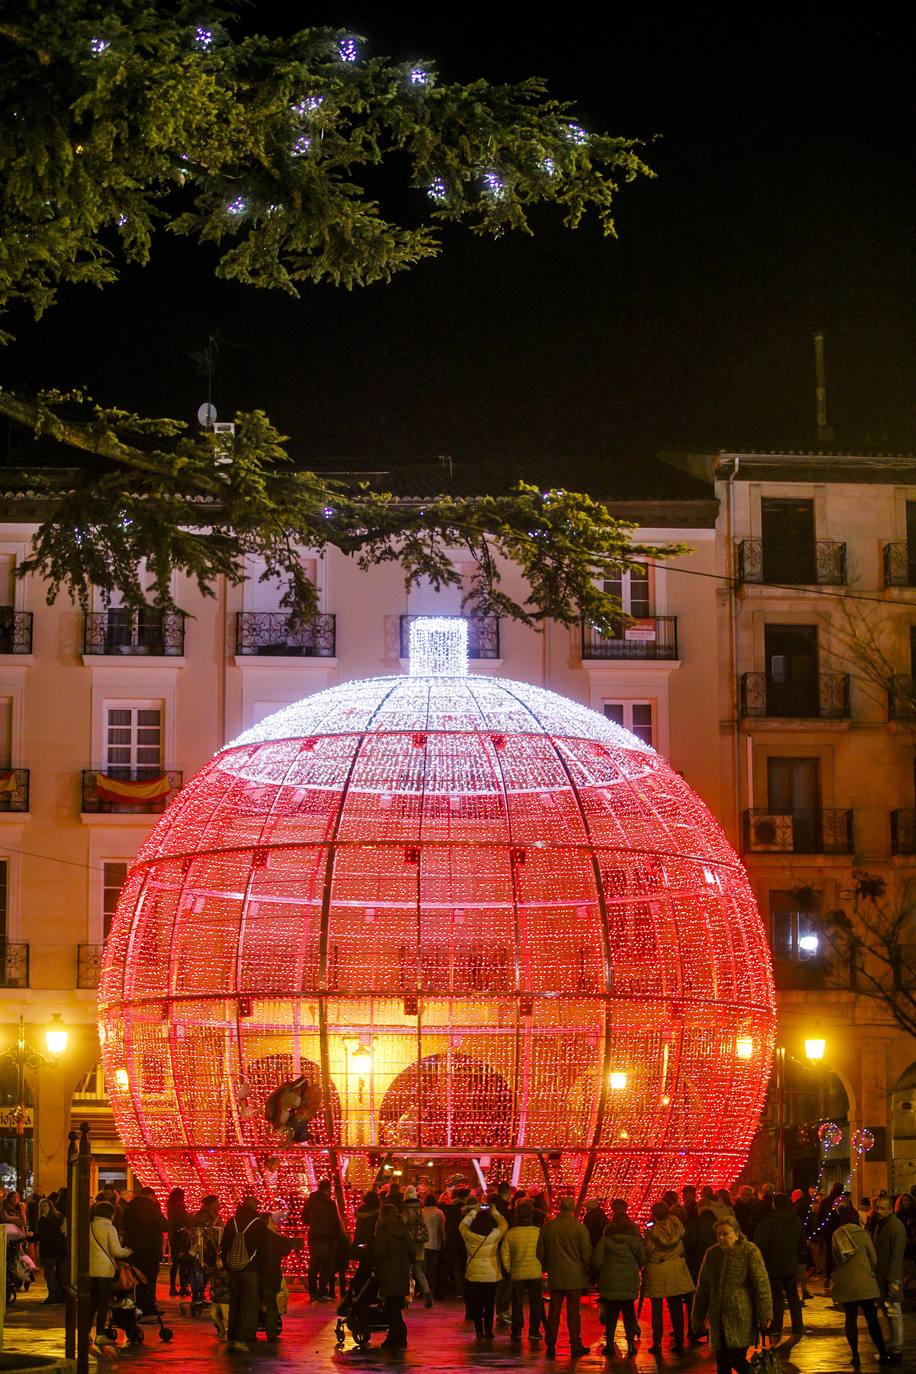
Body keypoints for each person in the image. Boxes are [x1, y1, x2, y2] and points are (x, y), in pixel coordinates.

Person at [691, 1214, 772, 1374]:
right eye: (718, 1234)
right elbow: (703, 1288)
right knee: (722, 1363)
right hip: (718, 1319)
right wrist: (698, 1316)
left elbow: (761, 1284)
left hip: (741, 1317)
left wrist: (764, 1314)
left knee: (736, 1358)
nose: (721, 1238)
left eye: (725, 1233)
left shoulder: (749, 1251)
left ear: (736, 1233)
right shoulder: (713, 1254)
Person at [829, 1203, 890, 1367]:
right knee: (872, 1319)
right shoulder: (864, 1234)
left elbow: (835, 1257)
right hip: (865, 1283)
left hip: (846, 1283)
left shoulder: (837, 1235)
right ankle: (883, 1352)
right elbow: (874, 1258)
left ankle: (855, 1355)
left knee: (850, 1319)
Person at [536, 1196, 592, 1358]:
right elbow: (586, 1253)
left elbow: (540, 1252)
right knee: (573, 1312)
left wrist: (547, 1267)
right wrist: (588, 1271)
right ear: (573, 1209)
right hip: (575, 1276)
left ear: (559, 1207)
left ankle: (551, 1344)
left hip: (556, 1275)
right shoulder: (579, 1228)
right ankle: (575, 1343)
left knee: (554, 1311)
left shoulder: (548, 1227)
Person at [643, 1200, 694, 1354]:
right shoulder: (677, 1227)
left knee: (657, 1309)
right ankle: (679, 1341)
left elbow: (648, 1250)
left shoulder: (653, 1230)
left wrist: (649, 1228)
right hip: (676, 1270)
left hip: (657, 1270)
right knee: (676, 1308)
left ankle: (657, 1342)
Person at [592, 1215, 645, 1358]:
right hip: (629, 1281)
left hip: (610, 1281)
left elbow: (597, 1262)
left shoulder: (605, 1242)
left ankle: (609, 1345)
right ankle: (631, 1345)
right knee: (629, 1315)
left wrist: (597, 1274)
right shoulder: (635, 1242)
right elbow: (642, 1260)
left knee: (611, 1317)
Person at [220, 1195, 268, 1353]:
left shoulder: (232, 1222)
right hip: (251, 1270)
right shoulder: (258, 1224)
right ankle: (241, 1339)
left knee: (234, 1304)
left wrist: (228, 1265)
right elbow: (263, 1250)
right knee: (247, 1305)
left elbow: (224, 1245)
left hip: (233, 1269)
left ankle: (232, 1338)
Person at [753, 1192, 804, 1338]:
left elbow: (761, 1243)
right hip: (790, 1262)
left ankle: (776, 1325)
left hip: (773, 1264)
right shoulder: (796, 1220)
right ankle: (798, 1324)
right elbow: (801, 1241)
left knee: (776, 1296)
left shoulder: (769, 1221)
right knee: (793, 1294)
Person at [460, 1198, 508, 1340]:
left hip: (474, 1274)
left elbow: (462, 1225)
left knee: (477, 1304)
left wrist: (474, 1210)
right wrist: (495, 1212)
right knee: (489, 1304)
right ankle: (488, 1330)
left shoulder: (468, 1235)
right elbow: (504, 1225)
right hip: (491, 1274)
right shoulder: (494, 1235)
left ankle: (478, 1330)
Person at [88, 1199, 132, 1353]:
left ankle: (86, 1332)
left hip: (90, 1269)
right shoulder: (109, 1228)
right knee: (103, 1302)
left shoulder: (90, 1226)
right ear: (110, 1214)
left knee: (92, 1302)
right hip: (105, 1270)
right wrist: (127, 1251)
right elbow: (116, 1251)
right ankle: (100, 1333)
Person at [499, 1199, 543, 1344]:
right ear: (531, 1215)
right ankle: (534, 1331)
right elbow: (544, 1252)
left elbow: (504, 1254)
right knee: (535, 1303)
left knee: (517, 1303)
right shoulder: (538, 1232)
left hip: (517, 1272)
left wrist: (510, 1269)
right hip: (535, 1272)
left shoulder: (511, 1233)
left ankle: (517, 1331)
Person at [370, 1202, 413, 1351]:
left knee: (391, 1306)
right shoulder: (404, 1231)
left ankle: (397, 1336)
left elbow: (379, 1252)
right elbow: (411, 1251)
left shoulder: (384, 1231)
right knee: (397, 1304)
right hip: (402, 1269)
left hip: (389, 1270)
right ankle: (397, 1336)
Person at [122, 1185, 168, 1315]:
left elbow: (125, 1224)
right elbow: (163, 1225)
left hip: (134, 1248)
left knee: (137, 1277)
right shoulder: (152, 1207)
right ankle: (149, 1305)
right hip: (150, 1248)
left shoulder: (130, 1207)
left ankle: (136, 1304)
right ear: (151, 1196)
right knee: (150, 1278)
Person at [871, 1196, 905, 1364]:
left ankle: (896, 1350)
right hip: (882, 1276)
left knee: (893, 1313)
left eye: (883, 1208)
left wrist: (893, 1279)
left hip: (890, 1277)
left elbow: (897, 1255)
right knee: (889, 1313)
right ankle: (893, 1347)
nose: (879, 1211)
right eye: (877, 1207)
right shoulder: (881, 1224)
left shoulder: (895, 1227)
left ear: (891, 1209)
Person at [257, 1212, 298, 1345]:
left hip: (256, 1274)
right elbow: (286, 1248)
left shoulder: (255, 1236)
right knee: (271, 1304)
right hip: (270, 1275)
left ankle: (250, 1331)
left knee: (254, 1303)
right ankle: (271, 1333)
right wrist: (275, 1233)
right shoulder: (271, 1237)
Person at [301, 1178, 343, 1302]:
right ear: (328, 1189)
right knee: (326, 1265)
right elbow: (335, 1221)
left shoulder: (311, 1200)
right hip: (327, 1237)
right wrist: (337, 1237)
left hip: (313, 1236)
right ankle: (322, 1290)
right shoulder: (329, 1202)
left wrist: (313, 1224)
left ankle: (312, 1292)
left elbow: (304, 1217)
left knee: (313, 1265)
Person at [400, 1185, 432, 1305]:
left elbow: (404, 1223)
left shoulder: (406, 1209)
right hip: (419, 1243)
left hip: (409, 1243)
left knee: (407, 1271)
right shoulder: (420, 1208)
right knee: (419, 1270)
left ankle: (406, 1298)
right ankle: (427, 1293)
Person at [37, 1191, 66, 1303]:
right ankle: (56, 1295)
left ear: (50, 1206)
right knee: (50, 1274)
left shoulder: (47, 1220)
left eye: (46, 1205)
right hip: (51, 1249)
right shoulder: (51, 1219)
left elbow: (44, 1235)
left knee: (49, 1274)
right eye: (42, 1206)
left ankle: (53, 1295)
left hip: (51, 1250)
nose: (44, 1207)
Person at [420, 1191, 446, 1298]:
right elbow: (442, 1229)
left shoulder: (421, 1212)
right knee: (433, 1269)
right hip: (435, 1243)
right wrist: (444, 1241)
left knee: (423, 1269)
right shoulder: (439, 1212)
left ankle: (423, 1290)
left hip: (423, 1243)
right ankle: (432, 1290)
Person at [165, 1187, 190, 1296]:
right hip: (181, 1237)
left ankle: (172, 1287)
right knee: (183, 1263)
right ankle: (183, 1287)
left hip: (173, 1237)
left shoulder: (170, 1207)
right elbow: (185, 1220)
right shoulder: (179, 1207)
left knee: (175, 1263)